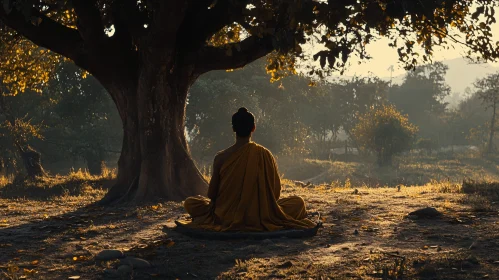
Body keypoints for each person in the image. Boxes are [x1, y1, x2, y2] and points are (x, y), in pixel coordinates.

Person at [182, 107, 316, 231]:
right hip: (260, 214)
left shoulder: (221, 157)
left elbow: (211, 194)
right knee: (297, 203)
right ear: (253, 128)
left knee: (191, 203)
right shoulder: (265, 154)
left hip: (225, 215)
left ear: (233, 128)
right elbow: (275, 193)